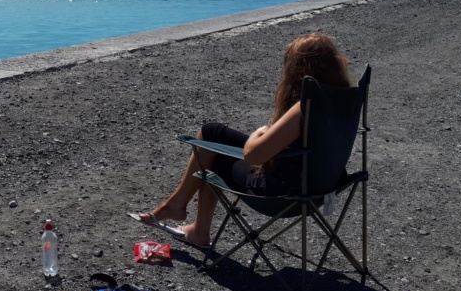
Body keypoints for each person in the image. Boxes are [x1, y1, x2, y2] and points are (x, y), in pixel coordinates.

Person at [129, 32, 353, 247]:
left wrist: (260, 132)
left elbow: (253, 155)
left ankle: (191, 222)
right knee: (212, 132)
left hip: (283, 192)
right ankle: (180, 210)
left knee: (211, 153)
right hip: (324, 183)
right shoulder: (343, 100)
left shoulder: (306, 106)